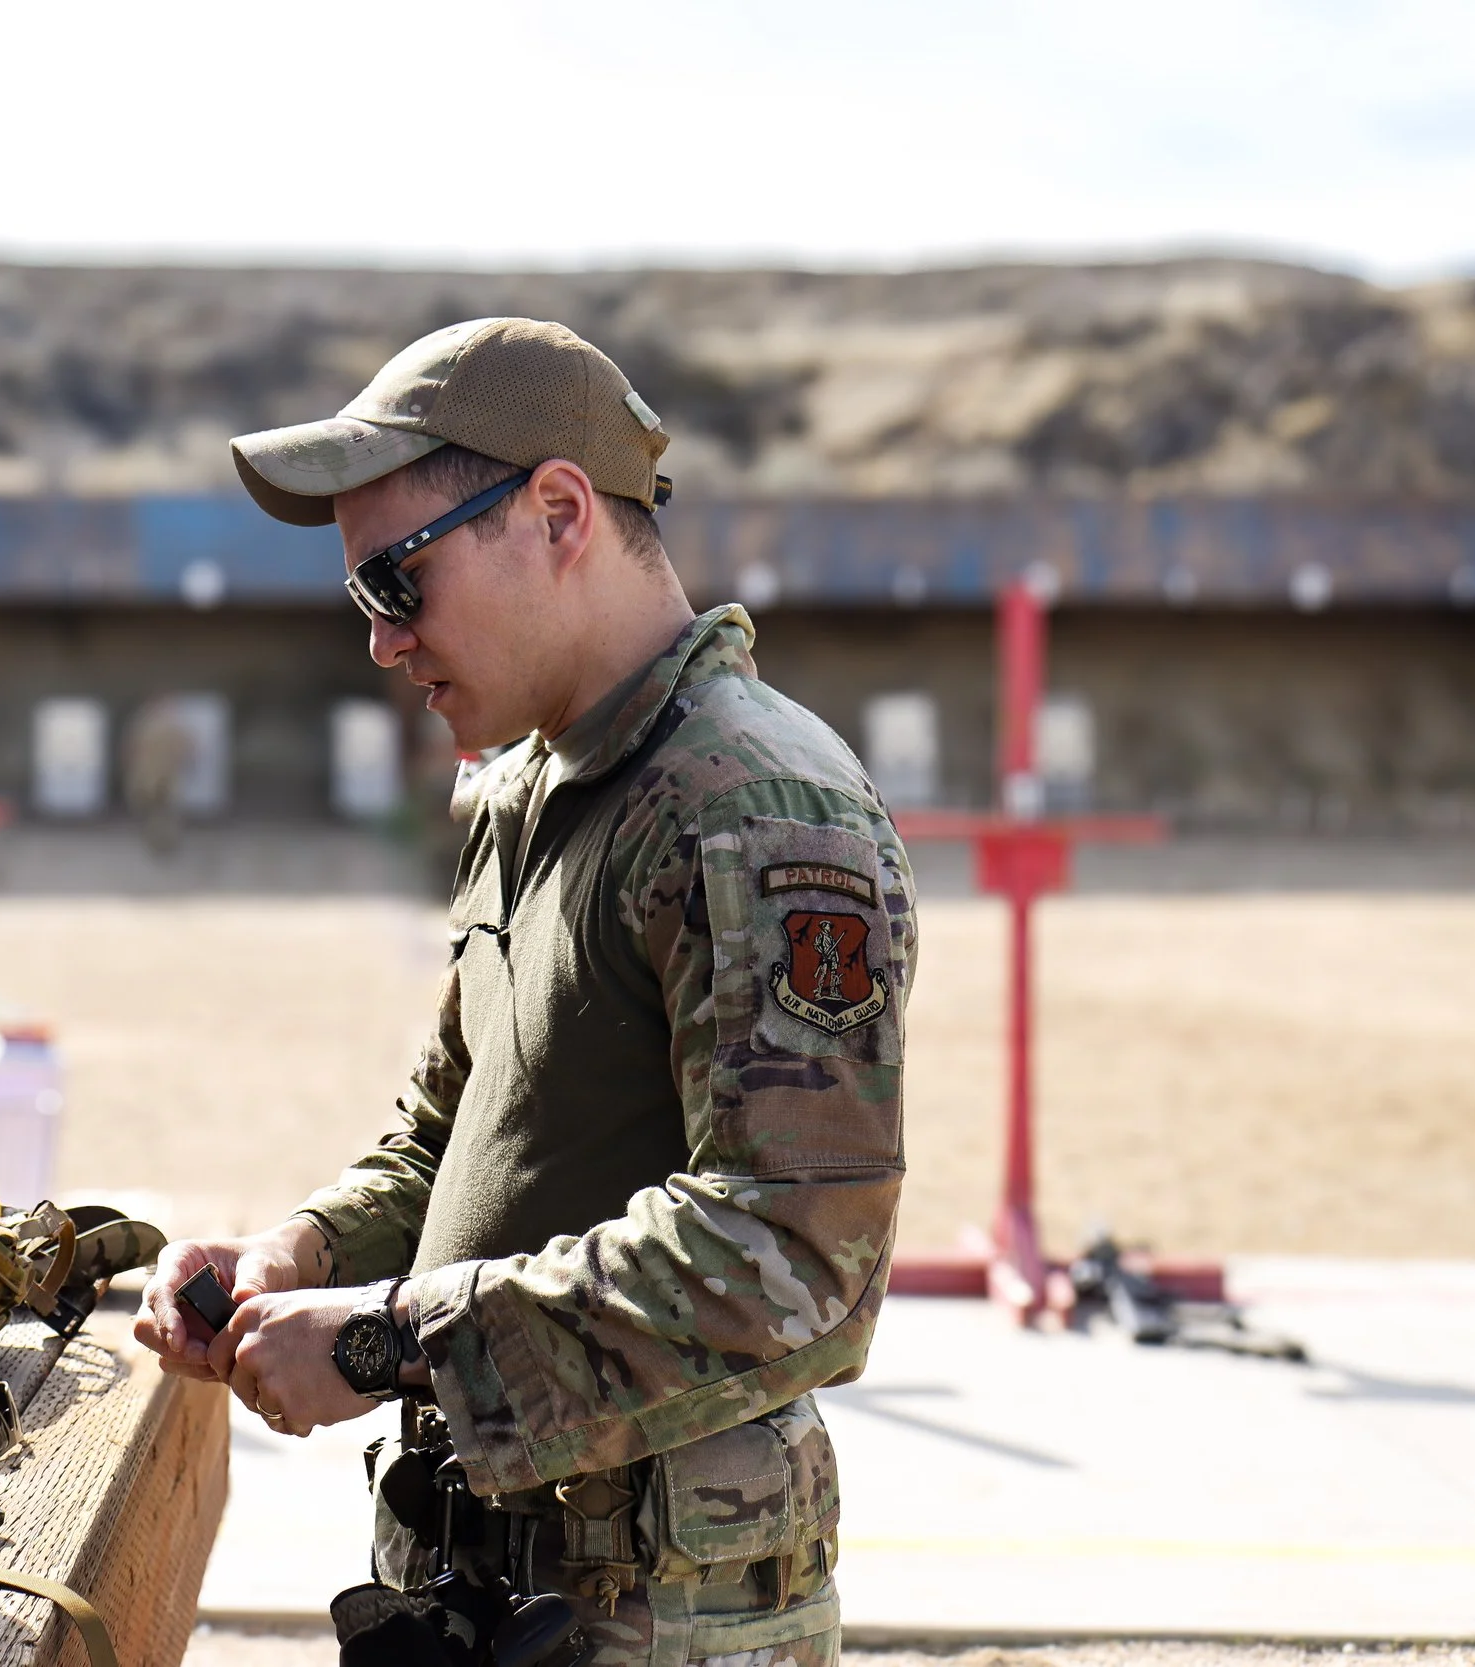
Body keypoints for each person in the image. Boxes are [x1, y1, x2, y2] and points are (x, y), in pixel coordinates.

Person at [134, 318, 914, 1667]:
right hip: (489, 1577)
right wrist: (299, 1257)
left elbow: (797, 1254)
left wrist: (385, 1341)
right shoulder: (527, 790)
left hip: (662, 1614)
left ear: (557, 514)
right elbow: (452, 1138)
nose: (383, 643)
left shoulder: (753, 808)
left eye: (397, 582)